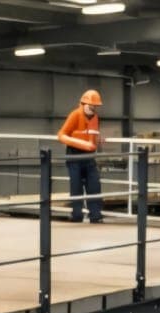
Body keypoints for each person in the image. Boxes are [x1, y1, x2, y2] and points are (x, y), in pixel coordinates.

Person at [56, 89, 105, 224]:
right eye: (91, 106)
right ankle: (77, 215)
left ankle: (95, 216)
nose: (93, 109)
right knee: (76, 186)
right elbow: (61, 135)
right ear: (83, 104)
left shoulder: (95, 117)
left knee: (94, 185)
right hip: (74, 156)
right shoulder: (75, 115)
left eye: (95, 106)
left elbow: (92, 135)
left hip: (89, 156)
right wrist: (80, 142)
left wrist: (97, 139)